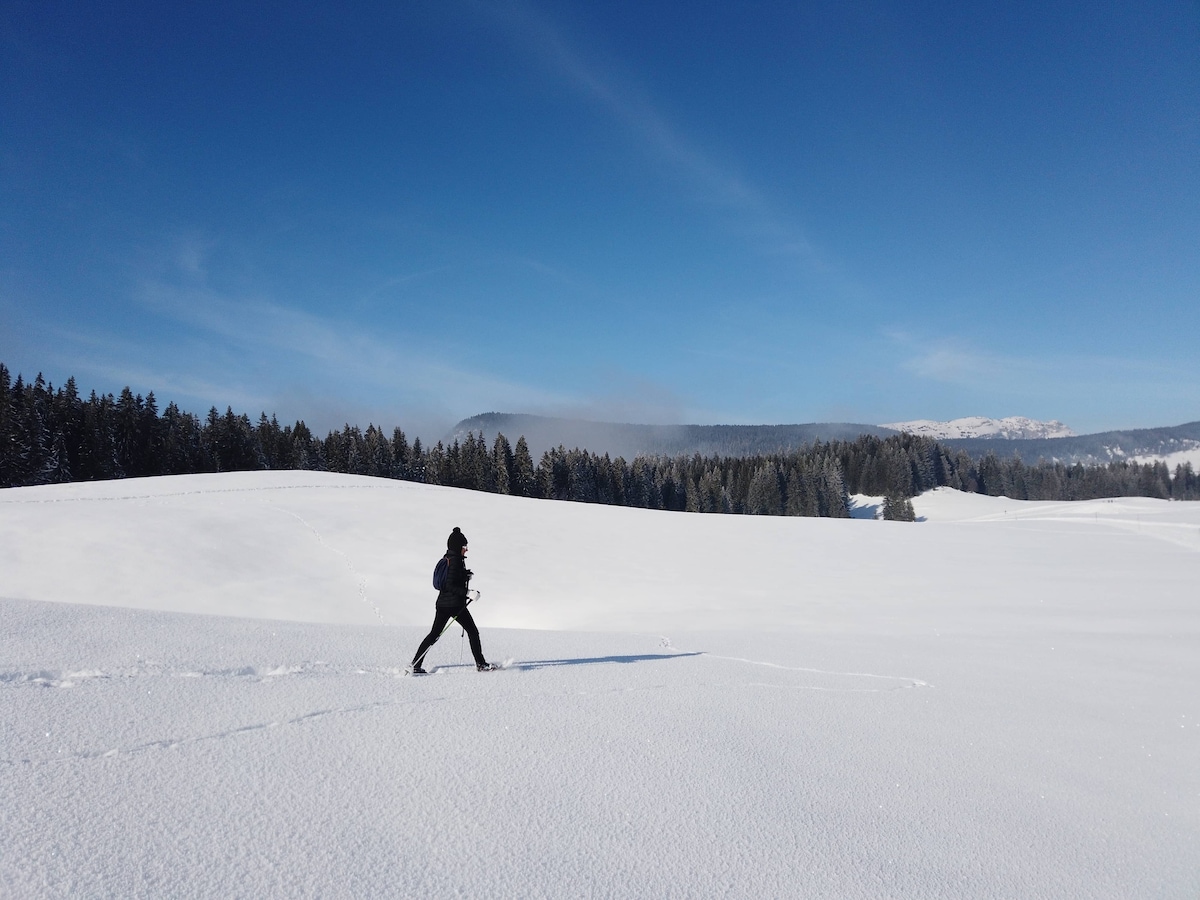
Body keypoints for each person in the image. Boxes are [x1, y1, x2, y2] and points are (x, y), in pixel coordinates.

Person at [409, 527, 498, 674]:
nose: (467, 550)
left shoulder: (449, 558)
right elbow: (450, 586)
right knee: (473, 632)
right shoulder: (455, 561)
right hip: (454, 605)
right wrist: (468, 592)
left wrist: (465, 575)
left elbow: (451, 581)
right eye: (464, 547)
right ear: (458, 547)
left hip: (442, 604)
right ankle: (481, 664)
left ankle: (415, 665)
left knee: (434, 634)